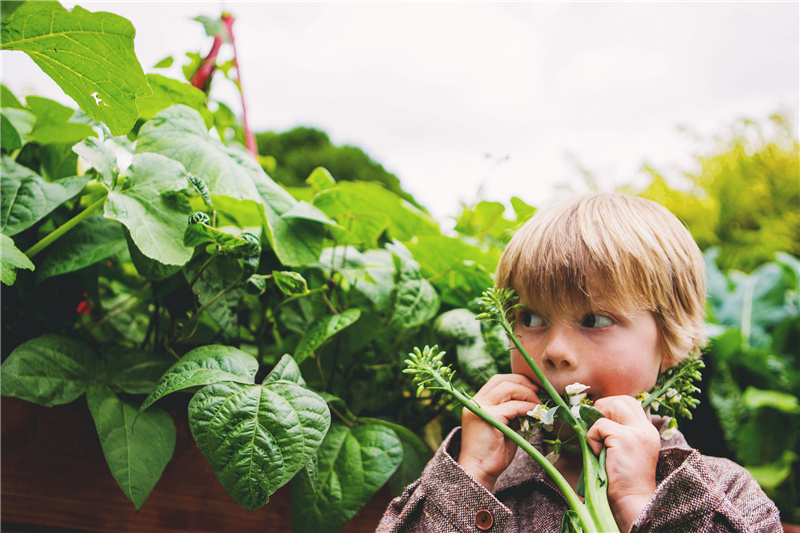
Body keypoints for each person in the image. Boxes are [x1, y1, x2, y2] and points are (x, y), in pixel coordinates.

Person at [376, 193, 781, 532]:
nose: (553, 350)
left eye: (594, 320)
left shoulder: (724, 492)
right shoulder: (476, 481)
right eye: (530, 319)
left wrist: (642, 502)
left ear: (674, 340)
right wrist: (470, 478)